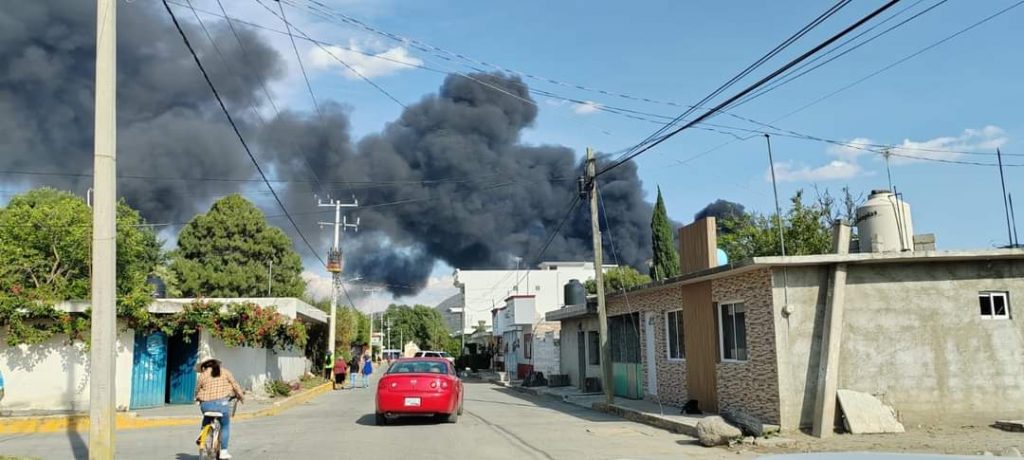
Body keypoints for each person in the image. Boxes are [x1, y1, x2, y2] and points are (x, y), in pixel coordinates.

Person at [195, 358, 244, 460]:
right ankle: (224, 452)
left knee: (206, 421)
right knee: (225, 425)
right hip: (222, 405)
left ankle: (202, 439)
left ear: (204, 367)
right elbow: (235, 385)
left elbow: (197, 390)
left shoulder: (202, 375)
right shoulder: (226, 372)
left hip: (205, 406)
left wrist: (198, 398)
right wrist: (241, 397)